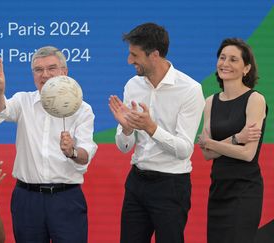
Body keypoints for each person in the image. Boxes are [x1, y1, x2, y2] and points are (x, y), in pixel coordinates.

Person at [0, 46, 98, 242]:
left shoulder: (82, 109)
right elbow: (0, 111)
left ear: (64, 72)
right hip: (27, 199)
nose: (44, 75)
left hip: (66, 199)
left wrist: (72, 151)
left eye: (51, 68)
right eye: (38, 70)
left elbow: (85, 155)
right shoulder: (23, 101)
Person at [109, 23, 205, 243]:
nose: (129, 61)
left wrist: (151, 128)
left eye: (134, 55)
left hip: (171, 186)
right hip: (136, 181)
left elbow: (183, 150)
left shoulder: (190, 89)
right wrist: (126, 127)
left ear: (154, 55)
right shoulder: (133, 85)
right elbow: (124, 148)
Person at [197, 38, 267, 243]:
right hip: (219, 189)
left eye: (233, 59)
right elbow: (206, 153)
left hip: (244, 191)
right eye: (222, 57)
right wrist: (237, 138)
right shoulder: (211, 101)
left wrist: (211, 143)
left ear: (246, 68)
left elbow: (248, 154)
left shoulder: (255, 99)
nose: (225, 63)